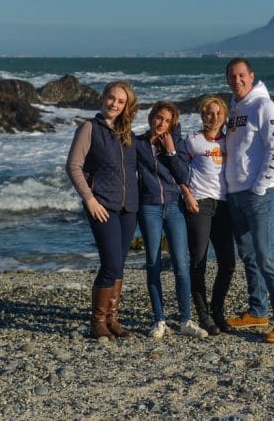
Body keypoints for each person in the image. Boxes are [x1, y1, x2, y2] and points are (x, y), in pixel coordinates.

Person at [223, 58, 274, 344]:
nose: (237, 80)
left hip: (258, 195)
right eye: (232, 75)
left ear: (251, 76)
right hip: (235, 195)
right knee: (249, 257)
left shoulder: (264, 107)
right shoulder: (234, 109)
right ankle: (257, 311)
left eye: (242, 75)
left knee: (266, 256)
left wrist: (261, 186)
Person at [66, 81, 139, 340]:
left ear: (126, 106)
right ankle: (97, 322)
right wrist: (90, 200)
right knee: (109, 263)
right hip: (103, 206)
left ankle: (113, 320)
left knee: (119, 265)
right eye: (111, 98)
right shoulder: (89, 127)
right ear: (103, 98)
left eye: (120, 102)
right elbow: (74, 166)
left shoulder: (127, 133)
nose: (114, 104)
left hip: (129, 208)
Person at [136, 100, 208, 339]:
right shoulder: (138, 144)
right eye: (158, 118)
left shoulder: (177, 142)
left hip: (175, 208)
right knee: (153, 264)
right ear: (151, 117)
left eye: (167, 120)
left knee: (180, 264)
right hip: (149, 207)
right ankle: (159, 320)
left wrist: (171, 151)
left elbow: (185, 174)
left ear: (173, 123)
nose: (162, 123)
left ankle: (186, 320)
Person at [177, 96, 236, 336]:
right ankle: (203, 315)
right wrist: (187, 195)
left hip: (223, 206)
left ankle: (217, 310)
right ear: (203, 115)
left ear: (224, 117)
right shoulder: (193, 141)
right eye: (209, 114)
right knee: (199, 262)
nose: (214, 118)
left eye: (218, 114)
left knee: (228, 264)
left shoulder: (230, 141)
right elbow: (178, 170)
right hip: (199, 205)